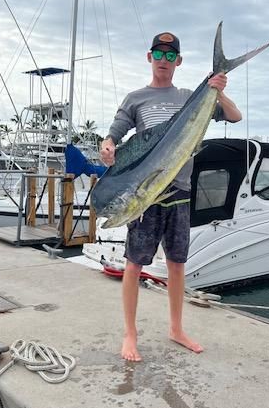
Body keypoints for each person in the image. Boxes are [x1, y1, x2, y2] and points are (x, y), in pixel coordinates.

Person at [100, 32, 242, 361]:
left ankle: (176, 329)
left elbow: (234, 117)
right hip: (145, 196)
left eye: (170, 55)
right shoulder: (136, 98)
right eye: (158, 54)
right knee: (134, 265)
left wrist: (218, 89)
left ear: (178, 62)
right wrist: (108, 144)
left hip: (179, 191)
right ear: (149, 57)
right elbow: (115, 131)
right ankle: (130, 335)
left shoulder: (191, 97)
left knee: (177, 265)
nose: (163, 60)